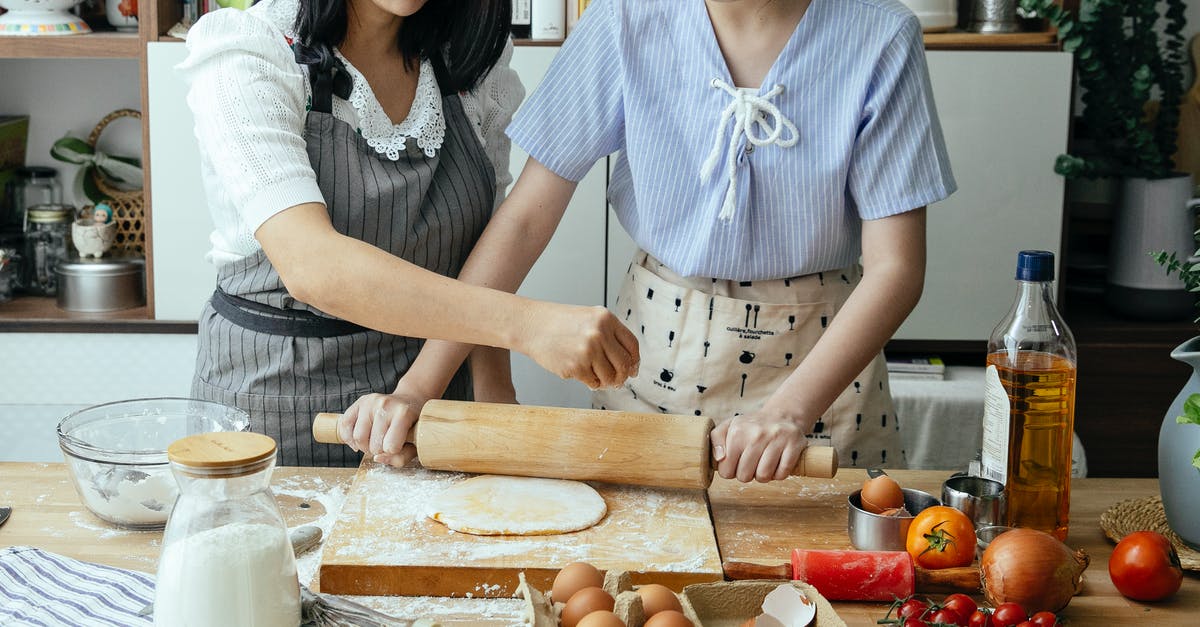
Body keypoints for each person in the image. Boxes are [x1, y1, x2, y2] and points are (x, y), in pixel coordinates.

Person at [350, 0, 956, 480]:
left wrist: (790, 411)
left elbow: (895, 268)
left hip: (825, 372)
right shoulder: (623, 19)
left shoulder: (880, 35)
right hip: (658, 353)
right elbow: (524, 219)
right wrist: (417, 388)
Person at [178, 0, 639, 467]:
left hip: (429, 407)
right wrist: (528, 325)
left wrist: (493, 393)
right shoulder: (249, 49)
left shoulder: (468, 57)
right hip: (275, 407)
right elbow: (312, 265)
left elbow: (479, 244)